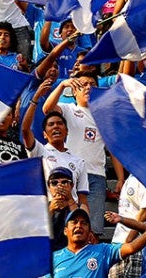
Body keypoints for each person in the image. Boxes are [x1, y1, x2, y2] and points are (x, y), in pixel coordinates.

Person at [43, 75, 107, 236]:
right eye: (83, 84)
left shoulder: (104, 115)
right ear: (74, 91)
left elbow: (112, 147)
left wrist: (119, 179)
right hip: (72, 176)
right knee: (72, 226)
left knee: (93, 229)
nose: (88, 87)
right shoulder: (69, 109)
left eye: (92, 84)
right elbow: (47, 109)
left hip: (98, 175)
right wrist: (63, 84)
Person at [21, 79, 89, 210]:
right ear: (45, 134)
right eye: (51, 125)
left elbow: (83, 199)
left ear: (67, 131)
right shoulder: (40, 151)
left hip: (70, 214)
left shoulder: (79, 161)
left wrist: (84, 217)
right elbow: (25, 130)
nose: (56, 127)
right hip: (46, 211)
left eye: (60, 123)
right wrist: (35, 99)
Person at [52, 208, 146, 278]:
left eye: (84, 223)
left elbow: (131, 248)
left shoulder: (103, 251)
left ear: (90, 231)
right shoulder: (53, 258)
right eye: (74, 222)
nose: (79, 226)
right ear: (65, 231)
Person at [47, 167, 79, 251]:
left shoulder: (80, 207)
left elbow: (80, 225)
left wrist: (70, 200)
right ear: (49, 187)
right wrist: (50, 210)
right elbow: (38, 231)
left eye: (64, 182)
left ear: (71, 185)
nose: (59, 185)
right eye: (54, 183)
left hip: (71, 252)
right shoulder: (41, 207)